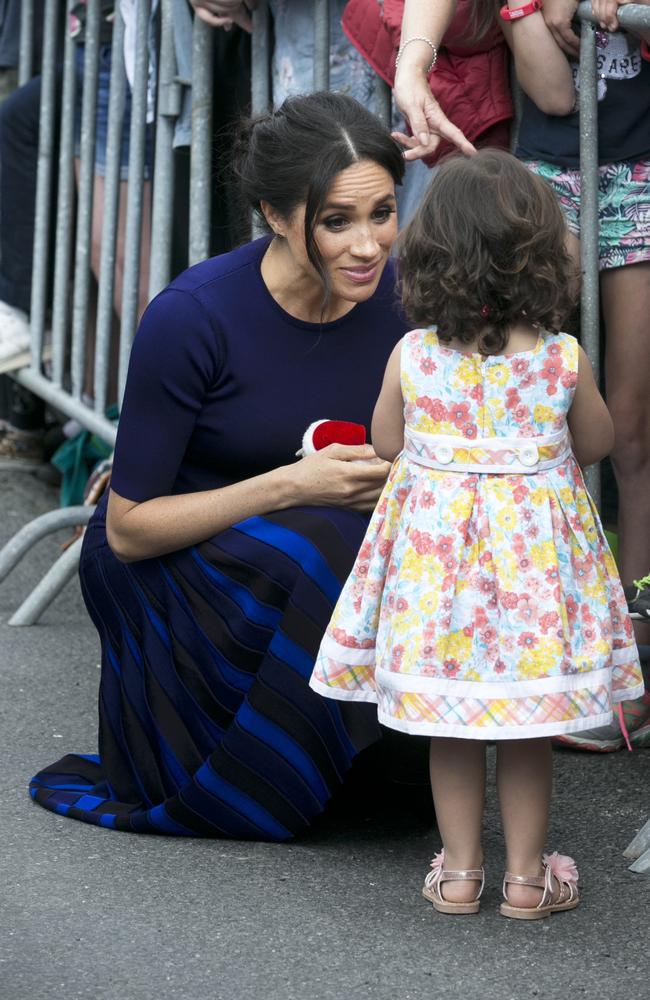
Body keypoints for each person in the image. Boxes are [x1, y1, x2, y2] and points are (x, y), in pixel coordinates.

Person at [29, 91, 414, 839]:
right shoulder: (193, 314)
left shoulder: (406, 302)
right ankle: (254, 769)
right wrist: (292, 485)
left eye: (383, 213)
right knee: (323, 539)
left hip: (313, 555)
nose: (368, 246)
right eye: (337, 221)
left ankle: (367, 759)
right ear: (275, 214)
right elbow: (129, 530)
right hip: (173, 564)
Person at [310, 151, 644, 918]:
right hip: (531, 590)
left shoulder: (414, 356)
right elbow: (595, 440)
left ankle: (459, 873)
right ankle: (528, 879)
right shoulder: (561, 360)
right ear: (541, 259)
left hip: (439, 589)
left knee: (449, 725)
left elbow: (387, 441)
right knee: (525, 729)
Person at [501, 0, 650, 745]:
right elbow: (556, 95)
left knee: (628, 431)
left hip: (641, 171)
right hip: (546, 176)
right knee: (541, 415)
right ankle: (550, 642)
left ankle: (632, 650)